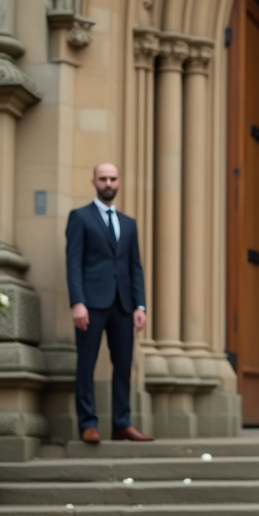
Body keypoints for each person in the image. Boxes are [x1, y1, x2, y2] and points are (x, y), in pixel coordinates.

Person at [65, 163, 153, 443]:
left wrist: (141, 305)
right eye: (103, 178)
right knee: (86, 364)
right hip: (90, 305)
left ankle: (121, 423)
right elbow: (73, 263)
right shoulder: (79, 217)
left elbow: (134, 267)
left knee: (124, 366)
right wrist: (77, 302)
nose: (108, 183)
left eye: (112, 178)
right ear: (94, 182)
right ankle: (88, 424)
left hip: (124, 305)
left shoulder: (129, 223)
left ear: (120, 181)